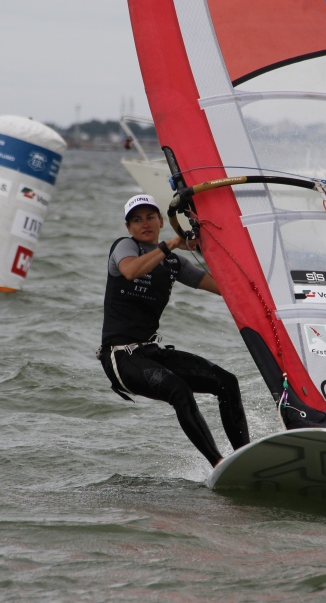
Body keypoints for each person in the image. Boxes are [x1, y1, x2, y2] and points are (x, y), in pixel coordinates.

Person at [98, 194, 250, 467]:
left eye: (150, 217)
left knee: (227, 383)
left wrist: (220, 253)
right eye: (137, 220)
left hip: (150, 352)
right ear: (128, 227)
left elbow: (224, 289)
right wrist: (169, 246)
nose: (144, 224)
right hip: (121, 358)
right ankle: (218, 463)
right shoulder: (124, 247)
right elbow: (131, 271)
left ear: (160, 221)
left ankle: (247, 458)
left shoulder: (173, 263)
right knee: (179, 390)